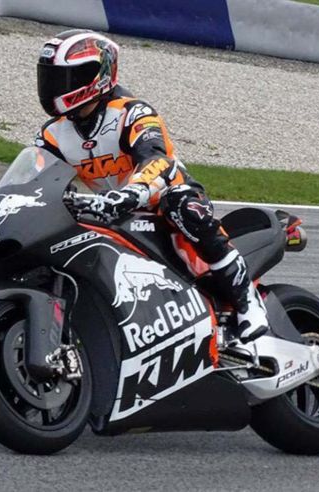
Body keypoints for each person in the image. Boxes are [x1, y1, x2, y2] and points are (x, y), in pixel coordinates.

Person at [35, 29, 269, 343]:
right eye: (51, 78)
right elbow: (37, 177)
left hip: (163, 198)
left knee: (183, 206)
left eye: (67, 77)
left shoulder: (132, 113)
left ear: (97, 76)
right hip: (112, 212)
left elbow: (156, 158)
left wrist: (131, 193)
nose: (55, 87)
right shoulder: (52, 134)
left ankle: (246, 300)